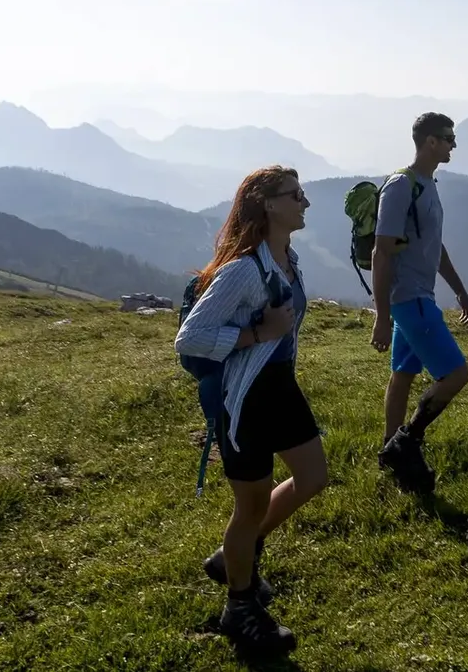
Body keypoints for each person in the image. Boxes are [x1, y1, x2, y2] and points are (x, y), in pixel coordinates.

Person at [174, 165, 323, 656]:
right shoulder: (241, 270)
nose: (304, 202)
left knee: (313, 477)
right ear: (269, 205)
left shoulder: (287, 257)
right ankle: (239, 607)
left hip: (280, 388)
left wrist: (275, 339)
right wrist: (259, 334)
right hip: (246, 401)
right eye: (295, 195)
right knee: (250, 507)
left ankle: (231, 558)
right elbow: (191, 337)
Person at [371, 112, 468, 493]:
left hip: (419, 296)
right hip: (410, 301)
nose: (453, 144)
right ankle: (407, 441)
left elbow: (435, 245)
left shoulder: (428, 185)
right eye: (448, 138)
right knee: (455, 376)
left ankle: (388, 450)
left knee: (402, 375)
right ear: (430, 141)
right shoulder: (402, 187)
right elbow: (381, 253)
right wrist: (381, 317)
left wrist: (460, 290)